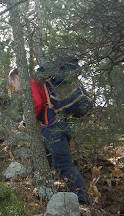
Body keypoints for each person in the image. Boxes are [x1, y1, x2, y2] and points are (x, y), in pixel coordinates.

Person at [8, 67, 92, 205]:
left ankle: (83, 201)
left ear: (17, 78)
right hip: (55, 128)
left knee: (63, 164)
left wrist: (25, 122)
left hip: (55, 128)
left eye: (13, 85)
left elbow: (37, 103)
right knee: (40, 161)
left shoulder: (31, 82)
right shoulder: (39, 83)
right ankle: (47, 195)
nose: (14, 89)